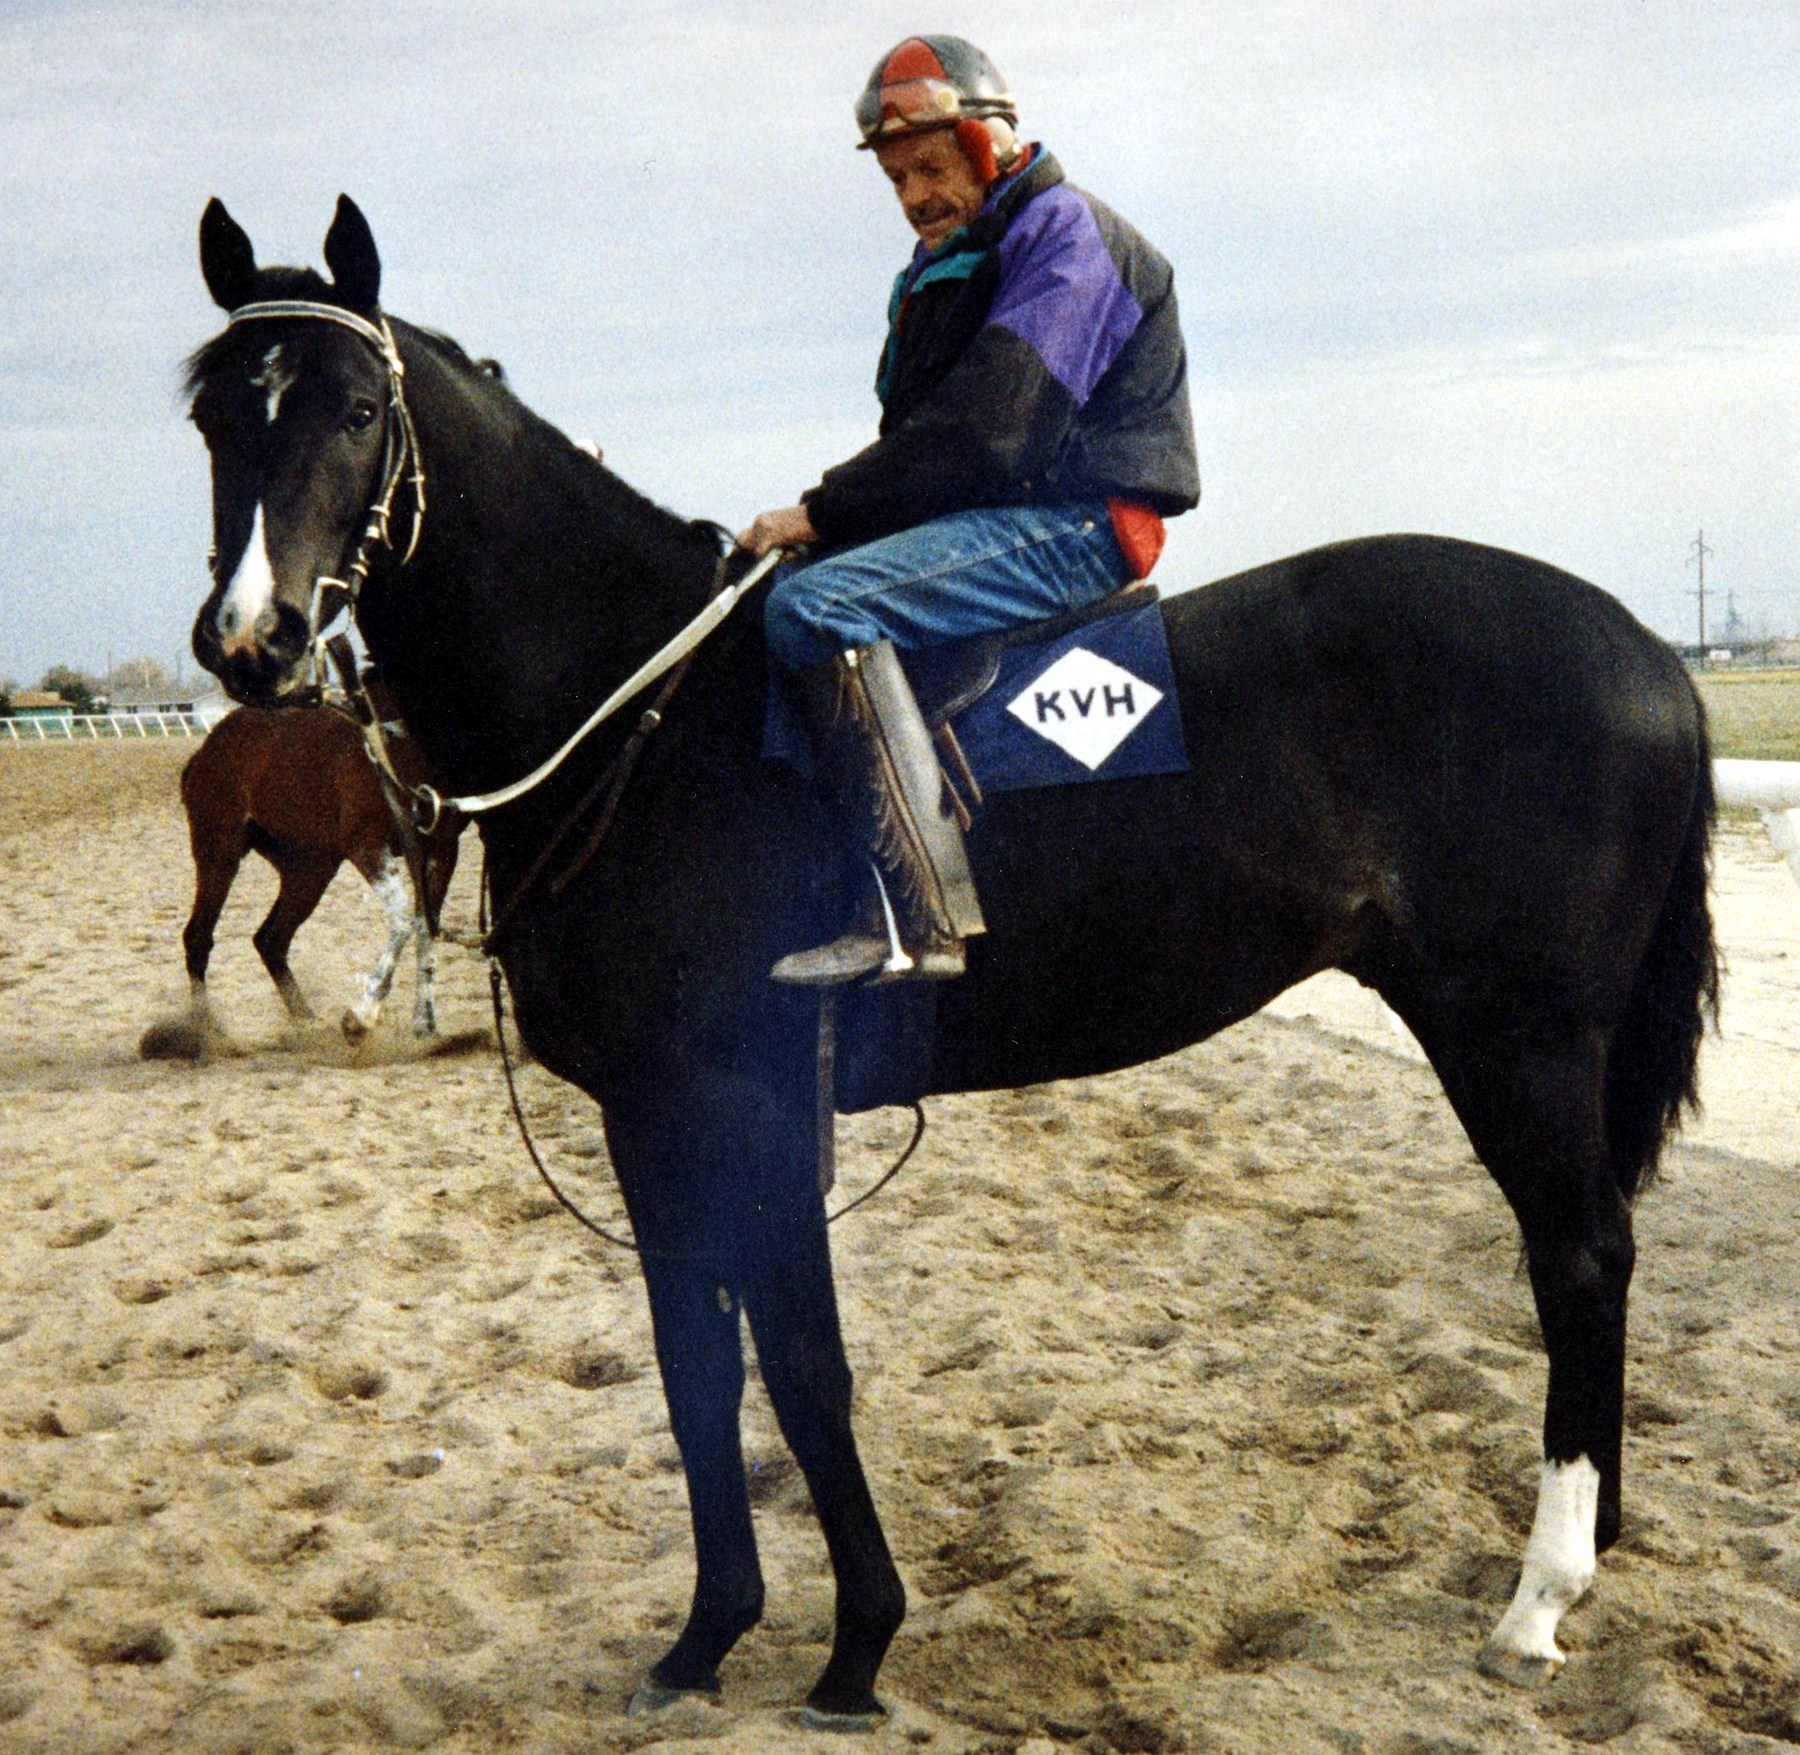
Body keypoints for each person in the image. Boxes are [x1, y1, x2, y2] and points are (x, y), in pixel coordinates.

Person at [739, 34, 1199, 987]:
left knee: (813, 607)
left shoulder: (1066, 235)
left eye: (932, 168)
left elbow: (992, 432)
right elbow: (921, 446)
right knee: (779, 589)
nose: (914, 196)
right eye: (898, 178)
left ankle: (917, 914)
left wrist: (823, 512)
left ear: (987, 149)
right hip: (1009, 511)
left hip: (1082, 520)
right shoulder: (942, 266)